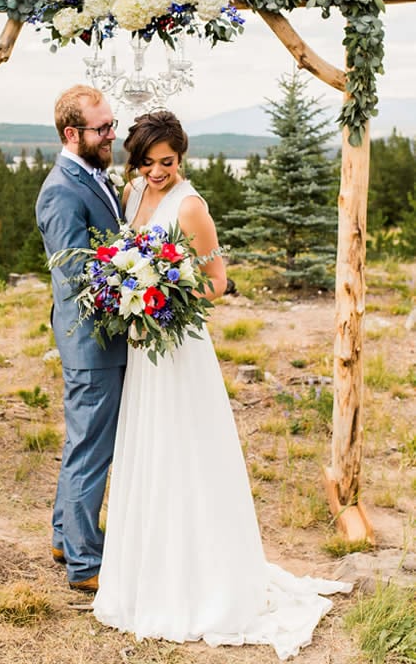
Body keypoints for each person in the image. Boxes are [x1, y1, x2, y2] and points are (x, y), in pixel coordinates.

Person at [92, 110, 352, 660]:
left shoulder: (190, 206)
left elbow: (216, 283)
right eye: (147, 162)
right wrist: (124, 286)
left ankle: (201, 583)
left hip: (178, 346)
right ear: (135, 161)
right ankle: (149, 575)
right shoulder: (135, 192)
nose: (157, 171)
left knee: (185, 453)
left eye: (166, 161)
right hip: (144, 346)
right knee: (149, 453)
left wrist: (165, 295)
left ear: (180, 156)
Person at [35, 85, 127, 592]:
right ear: (73, 134)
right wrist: (140, 283)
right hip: (91, 340)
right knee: (91, 450)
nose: (112, 134)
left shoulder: (94, 176)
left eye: (112, 124)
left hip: (106, 338)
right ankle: (85, 563)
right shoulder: (60, 190)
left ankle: (62, 536)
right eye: (103, 128)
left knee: (84, 445)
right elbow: (74, 275)